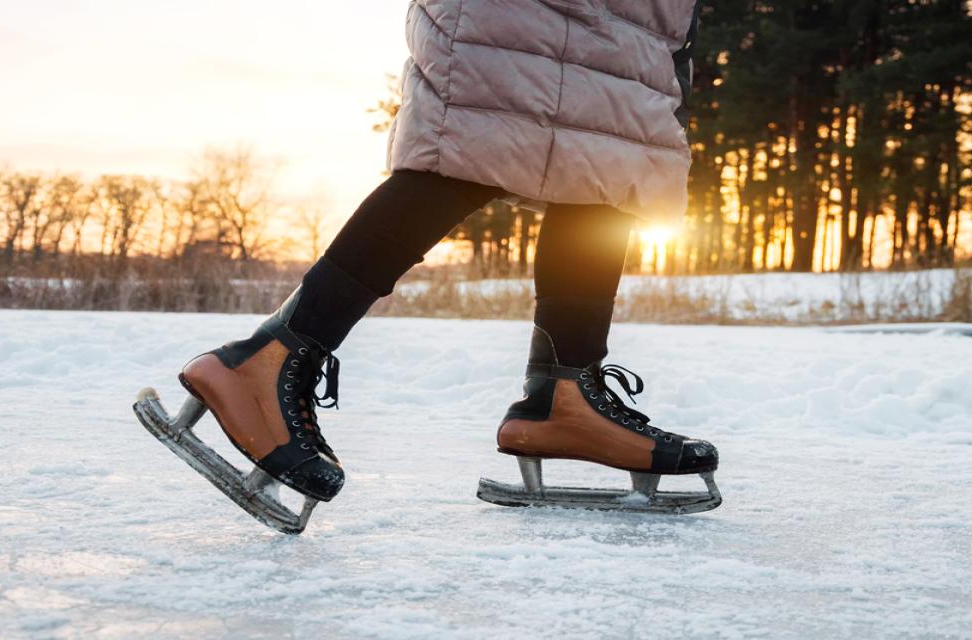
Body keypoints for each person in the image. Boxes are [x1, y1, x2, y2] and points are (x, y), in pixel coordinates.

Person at [167, 0, 719, 526]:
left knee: (606, 170)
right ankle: (268, 359)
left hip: (638, 23)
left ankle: (565, 396)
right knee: (470, 143)